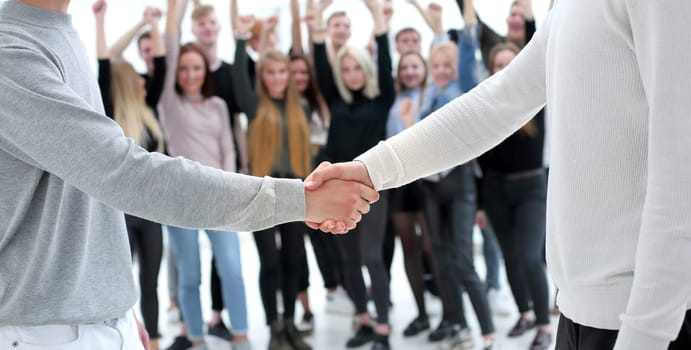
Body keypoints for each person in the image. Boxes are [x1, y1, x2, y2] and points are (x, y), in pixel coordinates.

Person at [306, 1, 691, 350]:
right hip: (580, 315)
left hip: (649, 322)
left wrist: (645, 334)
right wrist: (372, 169)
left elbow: (682, 181)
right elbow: (495, 103)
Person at [0, 1, 376, 349]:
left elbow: (85, 194)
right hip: (46, 331)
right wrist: (302, 199)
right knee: (193, 274)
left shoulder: (58, 31)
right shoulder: (11, 54)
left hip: (97, 320)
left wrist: (118, 307)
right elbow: (124, 173)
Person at [310, 0, 395, 349]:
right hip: (336, 187)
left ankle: (383, 329)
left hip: (373, 186)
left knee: (372, 256)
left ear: (365, 69)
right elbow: (319, 59)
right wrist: (316, 17)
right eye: (345, 70)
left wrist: (376, 14)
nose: (351, 75)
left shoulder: (382, 98)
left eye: (356, 68)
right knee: (348, 257)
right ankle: (362, 319)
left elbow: (385, 54)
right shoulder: (337, 100)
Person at [231, 13, 313, 350]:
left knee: (294, 259)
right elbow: (238, 76)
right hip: (262, 192)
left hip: (295, 190)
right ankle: (274, 327)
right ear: (262, 76)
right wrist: (241, 38)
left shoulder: (300, 110)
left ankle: (291, 322)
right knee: (270, 262)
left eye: (283, 72)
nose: (277, 78)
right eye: (271, 72)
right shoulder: (253, 105)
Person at [93, 2, 166, 349]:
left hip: (151, 212)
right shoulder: (108, 111)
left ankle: (153, 340)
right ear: (124, 82)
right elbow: (107, 60)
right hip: (120, 213)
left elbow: (162, 66)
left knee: (151, 280)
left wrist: (152, 24)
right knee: (123, 282)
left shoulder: (150, 108)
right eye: (136, 76)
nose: (143, 78)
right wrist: (104, 20)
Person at [478, 42, 551, 350]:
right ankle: (524, 313)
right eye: (499, 65)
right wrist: (480, 204)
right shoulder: (483, 106)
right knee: (510, 255)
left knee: (530, 257)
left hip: (531, 186)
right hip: (495, 189)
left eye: (512, 63)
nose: (505, 69)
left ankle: (544, 324)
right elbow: (479, 159)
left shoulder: (538, 100)